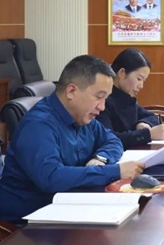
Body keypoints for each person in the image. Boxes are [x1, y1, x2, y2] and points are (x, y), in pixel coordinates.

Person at [0, 55, 145, 224]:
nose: (102, 106)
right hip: (27, 223)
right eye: (99, 96)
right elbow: (50, 178)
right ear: (71, 91)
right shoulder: (38, 125)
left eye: (106, 98)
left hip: (67, 206)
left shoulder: (83, 117)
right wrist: (115, 171)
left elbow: (113, 141)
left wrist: (100, 159)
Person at [97, 48, 164, 148]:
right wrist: (147, 134)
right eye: (139, 79)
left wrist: (143, 123)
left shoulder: (126, 98)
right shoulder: (102, 100)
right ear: (122, 73)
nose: (141, 86)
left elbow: (152, 117)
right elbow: (108, 138)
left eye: (143, 80)